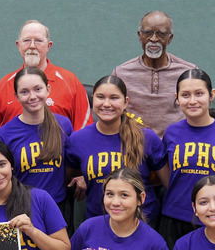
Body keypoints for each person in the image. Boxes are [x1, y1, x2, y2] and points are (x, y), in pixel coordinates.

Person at [159, 69, 215, 249]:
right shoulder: (171, 132)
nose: (192, 101)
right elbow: (168, 171)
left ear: (211, 94)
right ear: (177, 98)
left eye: (199, 93)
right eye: (185, 95)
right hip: (175, 218)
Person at [65, 75, 167, 227]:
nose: (106, 104)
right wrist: (82, 177)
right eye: (100, 97)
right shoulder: (77, 140)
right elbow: (65, 179)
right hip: (98, 224)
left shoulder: (146, 137)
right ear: (93, 100)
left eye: (114, 98)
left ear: (126, 102)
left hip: (142, 224)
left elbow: (167, 182)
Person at [0, 67, 73, 217]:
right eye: (24, 92)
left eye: (38, 89)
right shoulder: (4, 135)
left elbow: (72, 164)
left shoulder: (64, 125)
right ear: (16, 96)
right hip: (22, 210)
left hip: (59, 208)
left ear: (48, 90)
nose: (32, 96)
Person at [0, 20, 90, 134]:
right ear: (18, 45)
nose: (32, 46)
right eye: (27, 40)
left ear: (48, 46)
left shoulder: (70, 82)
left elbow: (84, 134)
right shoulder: (3, 85)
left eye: (38, 41)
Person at [111, 11, 197, 137]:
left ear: (170, 38)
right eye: (148, 33)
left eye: (161, 33)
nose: (154, 39)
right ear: (140, 36)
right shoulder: (121, 73)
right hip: (134, 144)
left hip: (176, 143)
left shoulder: (188, 72)